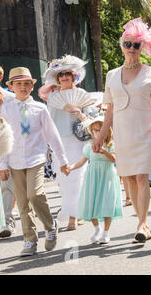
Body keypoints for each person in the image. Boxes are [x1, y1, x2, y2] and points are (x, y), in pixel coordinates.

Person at [93, 18, 151, 243]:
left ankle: (141, 224)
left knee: (141, 177)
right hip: (122, 133)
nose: (131, 49)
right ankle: (143, 222)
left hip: (143, 131)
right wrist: (100, 137)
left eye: (136, 45)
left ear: (142, 48)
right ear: (121, 46)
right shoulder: (111, 75)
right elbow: (109, 111)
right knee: (128, 178)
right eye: (127, 44)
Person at [0, 67, 69, 256]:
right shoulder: (5, 109)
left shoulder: (40, 108)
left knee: (35, 193)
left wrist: (62, 160)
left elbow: (52, 136)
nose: (23, 87)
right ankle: (30, 240)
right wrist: (3, 165)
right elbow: (4, 136)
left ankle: (49, 225)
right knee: (22, 203)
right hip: (14, 160)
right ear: (11, 87)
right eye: (18, 84)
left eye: (26, 84)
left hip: (36, 158)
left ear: (32, 86)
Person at [43, 55, 94, 230]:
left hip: (77, 141)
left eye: (67, 74)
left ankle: (73, 217)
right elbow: (48, 121)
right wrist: (48, 146)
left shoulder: (82, 95)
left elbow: (92, 119)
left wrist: (81, 114)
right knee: (63, 179)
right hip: (58, 141)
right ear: (57, 78)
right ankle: (75, 211)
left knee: (76, 177)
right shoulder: (52, 98)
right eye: (61, 74)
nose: (64, 77)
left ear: (73, 76)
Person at [67, 115, 123, 244]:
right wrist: (71, 167)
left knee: (107, 204)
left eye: (100, 129)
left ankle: (106, 232)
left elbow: (114, 160)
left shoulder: (111, 145)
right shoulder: (89, 147)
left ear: (107, 131)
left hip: (107, 176)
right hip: (93, 178)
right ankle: (97, 228)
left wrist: (104, 152)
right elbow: (81, 162)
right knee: (91, 204)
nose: (97, 132)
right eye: (95, 130)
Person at [0, 64, 17, 238]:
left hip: (6, 146)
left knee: (6, 185)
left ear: (0, 77)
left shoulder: (11, 98)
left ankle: (7, 221)